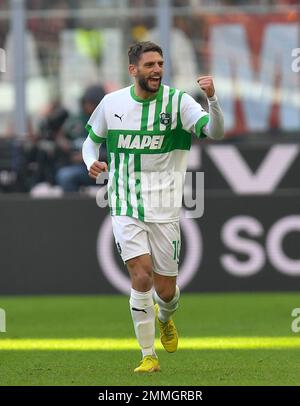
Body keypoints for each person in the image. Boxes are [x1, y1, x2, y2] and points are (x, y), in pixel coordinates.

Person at [82, 41, 224, 373]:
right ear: (134, 70)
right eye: (150, 65)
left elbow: (215, 132)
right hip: (124, 202)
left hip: (165, 208)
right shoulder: (111, 103)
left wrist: (213, 99)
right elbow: (90, 142)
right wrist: (91, 162)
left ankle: (166, 318)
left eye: (160, 64)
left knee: (167, 291)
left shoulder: (178, 102)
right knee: (141, 274)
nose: (157, 69)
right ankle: (148, 355)